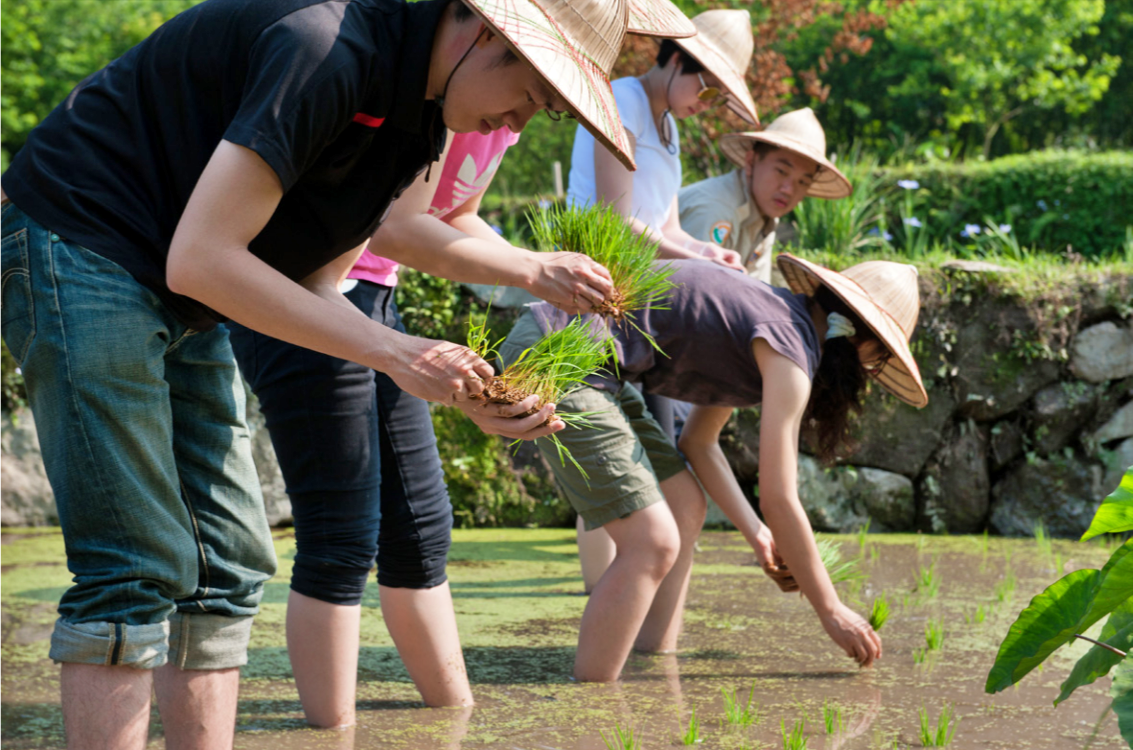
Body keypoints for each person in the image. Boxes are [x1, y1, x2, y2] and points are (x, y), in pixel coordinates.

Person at [0, 0, 674, 746]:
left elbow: (319, 281)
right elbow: (203, 256)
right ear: (487, 32)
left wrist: (462, 385)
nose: (514, 125)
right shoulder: (323, 49)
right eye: (528, 96)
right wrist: (392, 353)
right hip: (80, 239)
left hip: (179, 290)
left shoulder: (417, 123)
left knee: (228, 562)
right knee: (136, 562)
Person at [224, 0, 695, 722]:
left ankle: (454, 718)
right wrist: (531, 272)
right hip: (305, 290)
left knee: (421, 527)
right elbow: (401, 228)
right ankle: (333, 731)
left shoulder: (501, 106)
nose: (612, 46)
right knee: (342, 534)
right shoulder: (433, 83)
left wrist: (529, 264)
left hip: (372, 296)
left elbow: (455, 215)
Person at [499, 254, 929, 682]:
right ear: (863, 343)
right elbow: (779, 497)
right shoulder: (788, 348)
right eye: (881, 357)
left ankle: (653, 660)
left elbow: (699, 443)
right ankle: (593, 704)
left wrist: (757, 534)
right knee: (651, 541)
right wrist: (831, 609)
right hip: (559, 354)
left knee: (684, 503)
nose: (872, 373)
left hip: (593, 364)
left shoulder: (773, 323)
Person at [679, 107, 852, 284]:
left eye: (802, 182)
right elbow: (687, 288)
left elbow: (754, 287)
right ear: (751, 161)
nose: (789, 190)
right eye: (781, 171)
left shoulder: (765, 214)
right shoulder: (716, 208)